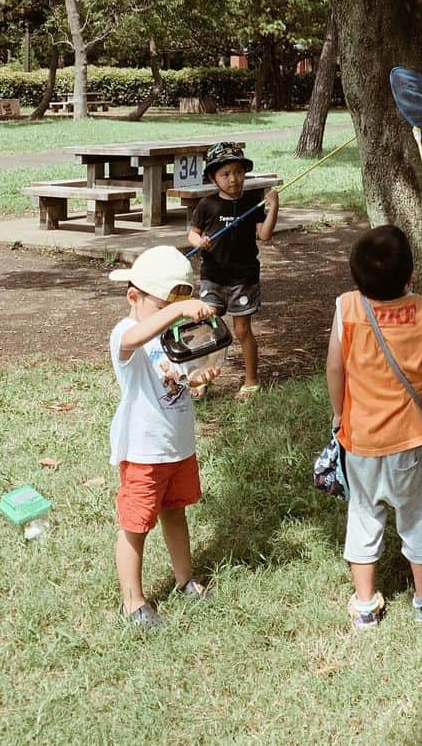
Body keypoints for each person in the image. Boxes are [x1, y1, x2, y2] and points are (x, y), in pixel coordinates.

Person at [325, 225, 422, 630]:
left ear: (356, 279)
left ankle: (365, 604)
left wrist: (339, 415)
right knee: (417, 514)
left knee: (363, 515)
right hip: (410, 440)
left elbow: (335, 367)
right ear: (410, 277)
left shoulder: (347, 308)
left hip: (361, 440)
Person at [108, 245, 221, 629]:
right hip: (144, 451)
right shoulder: (126, 332)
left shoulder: (172, 333)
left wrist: (199, 378)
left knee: (176, 513)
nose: (171, 317)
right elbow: (133, 340)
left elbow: (181, 378)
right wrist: (177, 310)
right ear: (133, 297)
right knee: (136, 525)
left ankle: (184, 579)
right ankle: (133, 602)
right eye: (162, 307)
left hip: (177, 446)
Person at [187, 142, 278, 399]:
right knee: (206, 327)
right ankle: (201, 378)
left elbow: (265, 235)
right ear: (213, 177)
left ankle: (251, 380)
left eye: (238, 172)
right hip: (213, 277)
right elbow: (192, 234)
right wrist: (199, 241)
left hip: (243, 278)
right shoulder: (207, 206)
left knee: (242, 331)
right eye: (225, 174)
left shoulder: (252, 203)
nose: (233, 179)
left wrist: (273, 208)